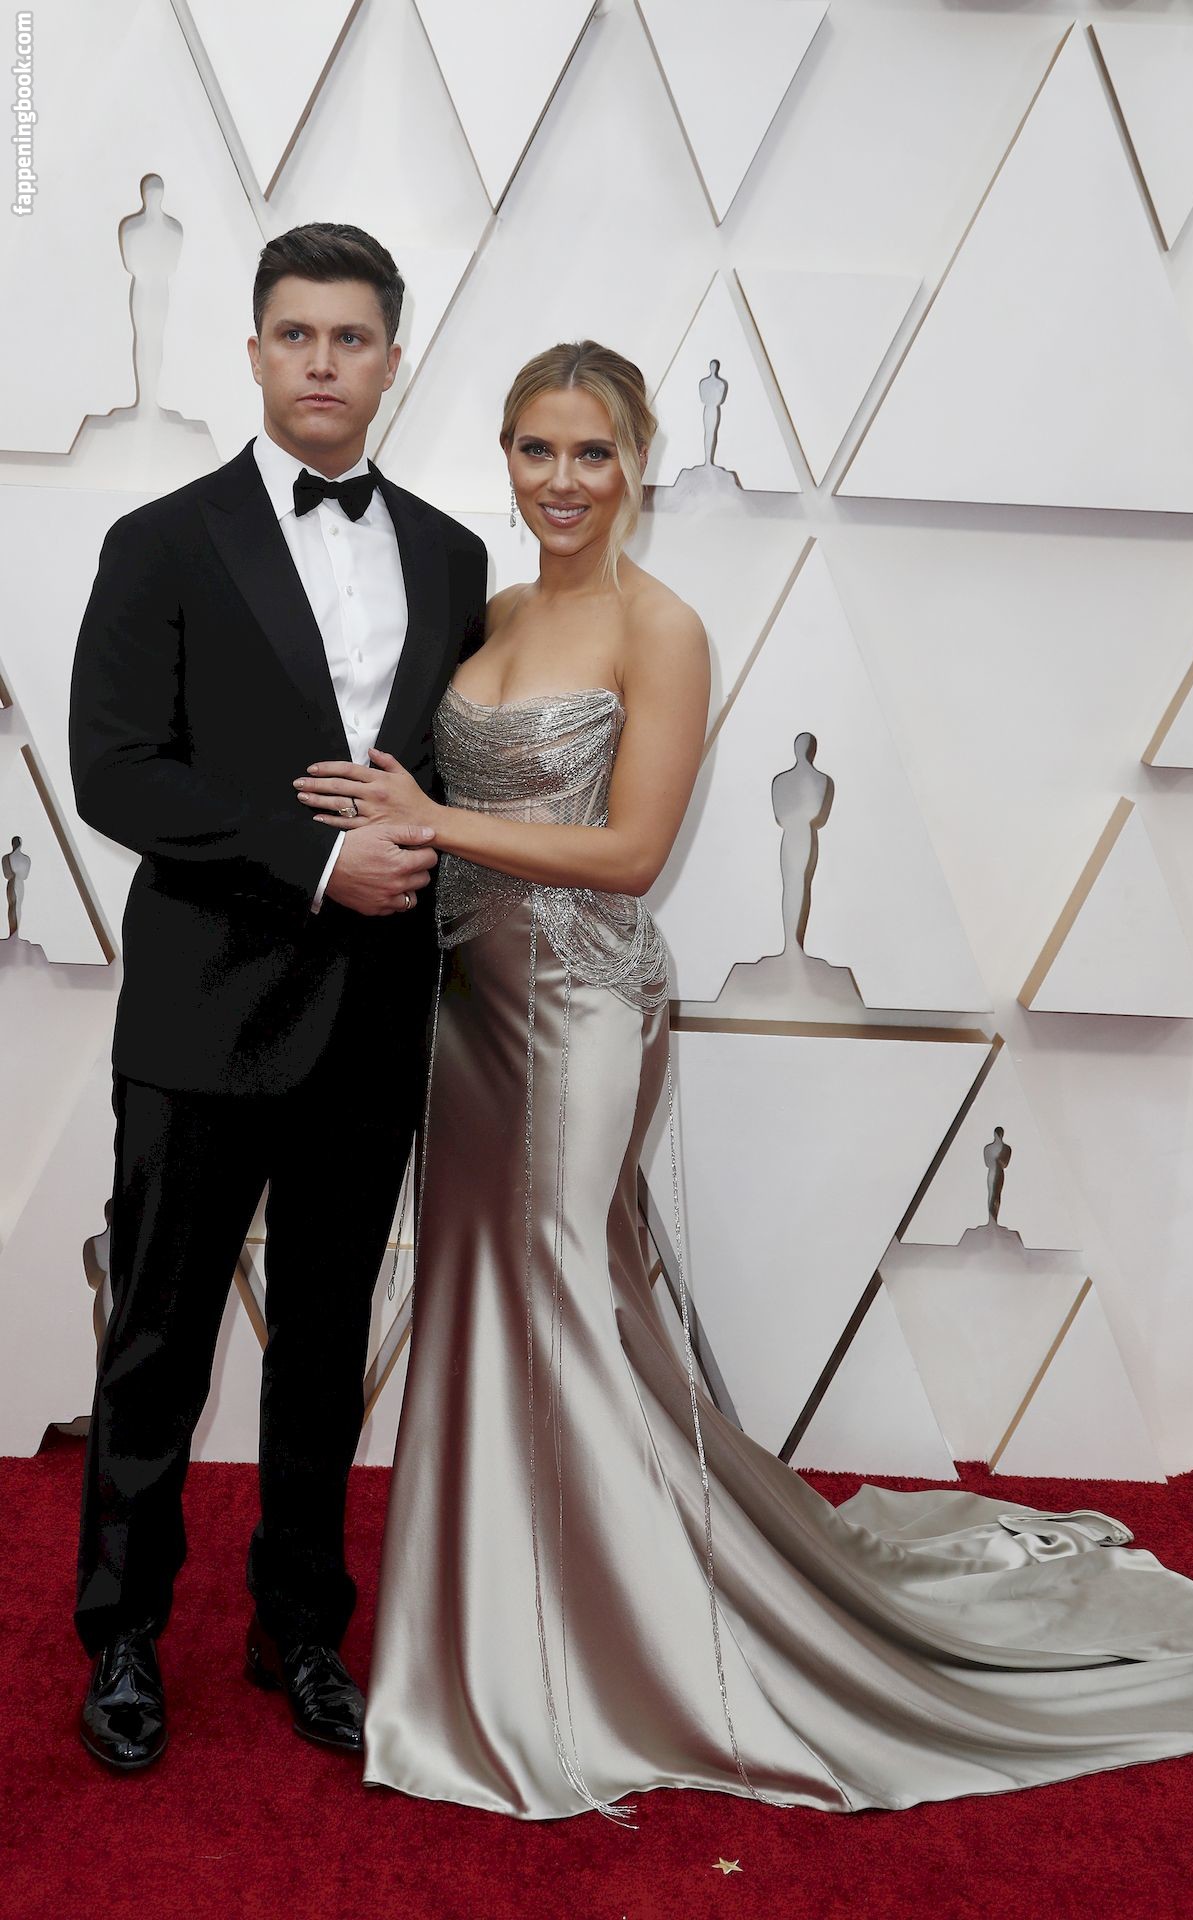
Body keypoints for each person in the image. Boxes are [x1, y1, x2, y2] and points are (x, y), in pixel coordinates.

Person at [293, 341, 1193, 1821]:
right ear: (504, 458)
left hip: (577, 1006)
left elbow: (632, 853)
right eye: (535, 450)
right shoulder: (493, 612)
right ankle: (503, 1627)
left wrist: (437, 820)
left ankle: (612, 1657)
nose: (562, 481)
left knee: (555, 1281)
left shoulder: (664, 627)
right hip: (465, 1005)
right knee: (496, 1297)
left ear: (637, 464)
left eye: (590, 453)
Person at [68, 222, 486, 1770]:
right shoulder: (161, 540)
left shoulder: (452, 556)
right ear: (254, 352)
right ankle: (123, 1635)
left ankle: (300, 1629)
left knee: (323, 1343)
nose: (322, 362)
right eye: (296, 334)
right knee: (158, 1341)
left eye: (350, 337)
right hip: (201, 1011)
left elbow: (448, 771)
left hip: (375, 1020)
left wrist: (425, 841)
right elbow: (115, 770)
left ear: (391, 360)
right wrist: (314, 863)